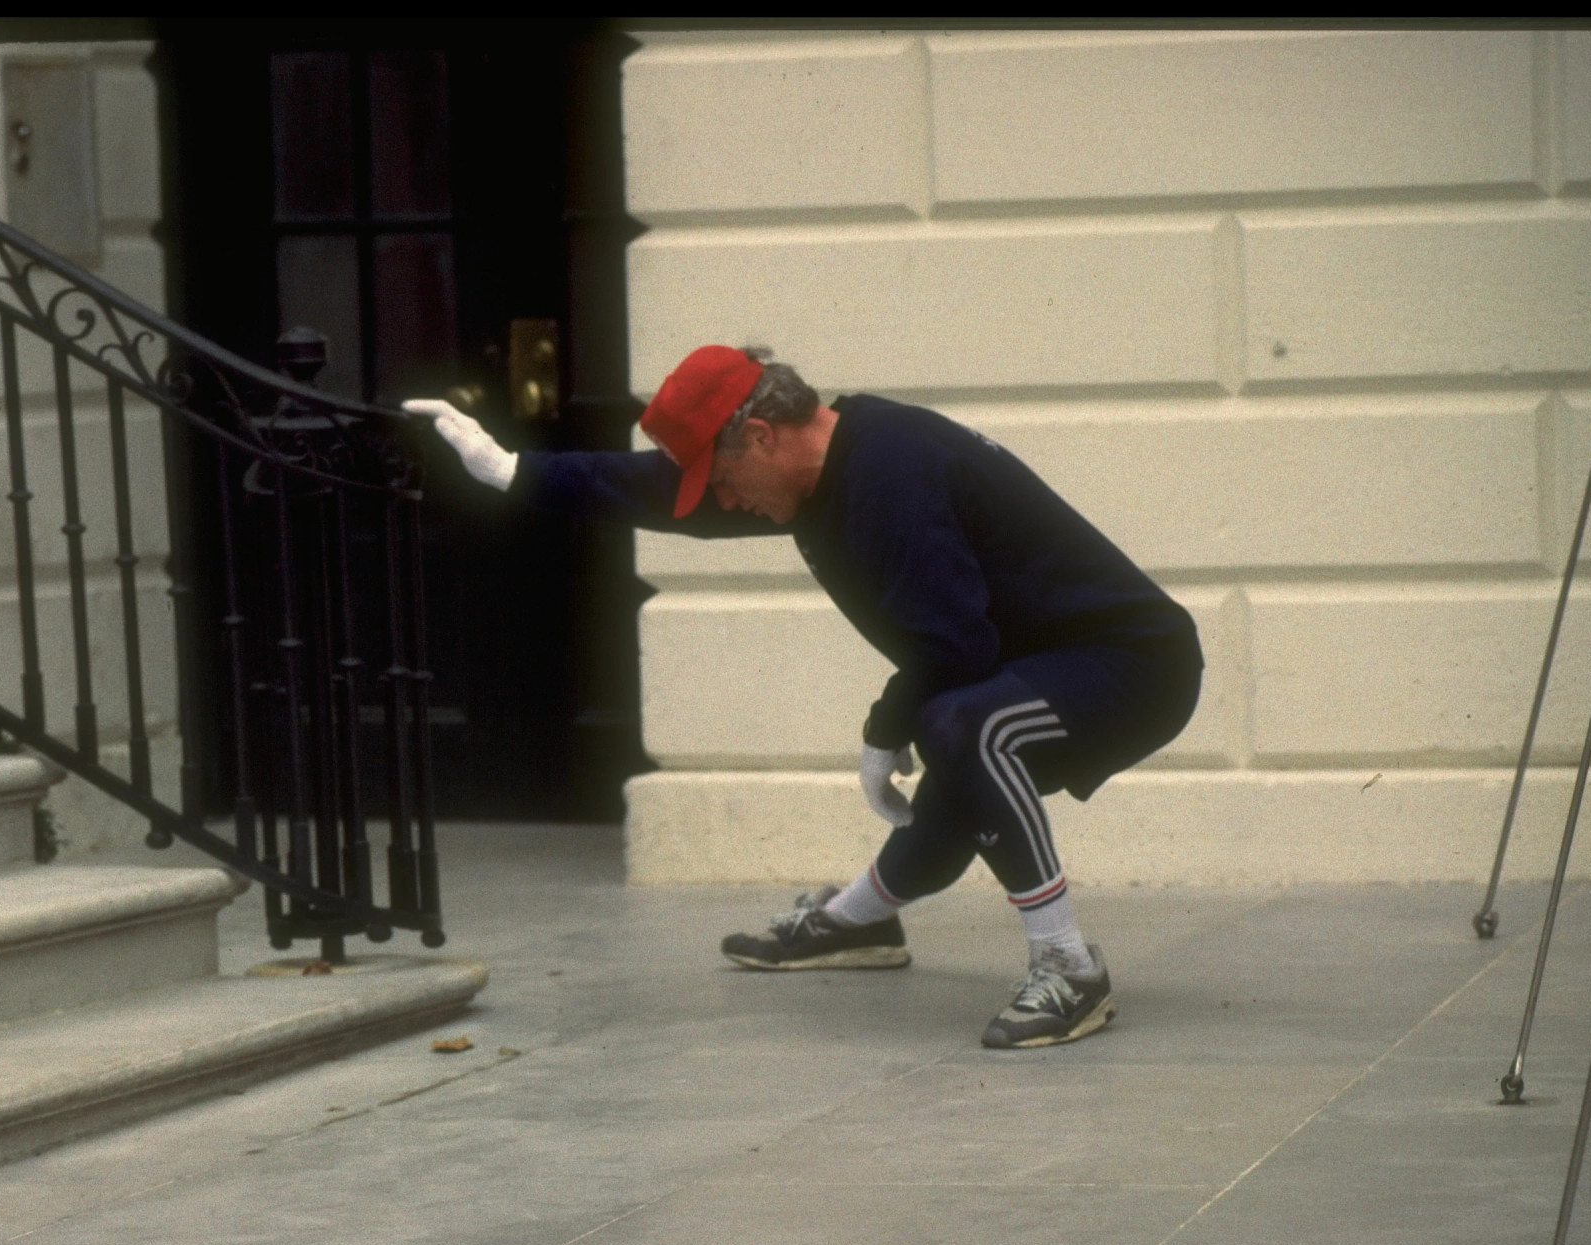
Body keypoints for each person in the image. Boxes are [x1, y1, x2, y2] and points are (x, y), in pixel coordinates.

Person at [405, 344, 1202, 1048]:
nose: (726, 501)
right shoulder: (819, 463)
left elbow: (958, 651)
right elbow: (659, 488)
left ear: (759, 435)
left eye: (724, 480)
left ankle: (1069, 965)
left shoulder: (889, 474)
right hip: (1036, 659)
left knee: (963, 725)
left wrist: (882, 734)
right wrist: (513, 471)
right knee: (961, 739)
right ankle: (857, 920)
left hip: (1135, 664)